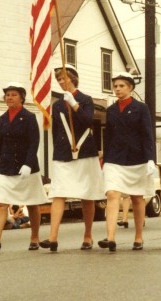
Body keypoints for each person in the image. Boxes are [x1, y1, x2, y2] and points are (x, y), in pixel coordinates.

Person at [40, 65, 105, 252]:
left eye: (64, 79)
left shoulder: (85, 100)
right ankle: (53, 237)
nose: (61, 82)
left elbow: (87, 121)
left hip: (84, 152)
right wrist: (57, 152)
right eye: (58, 80)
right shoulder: (58, 105)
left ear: (73, 79)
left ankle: (88, 235)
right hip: (63, 154)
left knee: (87, 195)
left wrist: (75, 105)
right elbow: (56, 131)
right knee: (58, 193)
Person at [0, 82, 48, 253]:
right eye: (7, 95)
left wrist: (28, 163)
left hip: (26, 168)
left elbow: (34, 143)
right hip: (6, 166)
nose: (9, 97)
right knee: (1, 203)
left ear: (22, 98)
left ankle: (34, 237)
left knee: (32, 203)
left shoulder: (29, 117)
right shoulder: (2, 119)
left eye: (13, 95)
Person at [99, 72, 155, 252]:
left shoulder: (141, 108)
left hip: (137, 158)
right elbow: (107, 137)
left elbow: (147, 134)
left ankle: (138, 237)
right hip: (115, 159)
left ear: (130, 88)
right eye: (115, 86)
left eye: (121, 86)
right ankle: (110, 237)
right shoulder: (111, 110)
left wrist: (150, 159)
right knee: (112, 194)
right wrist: (105, 161)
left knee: (137, 197)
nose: (117, 89)